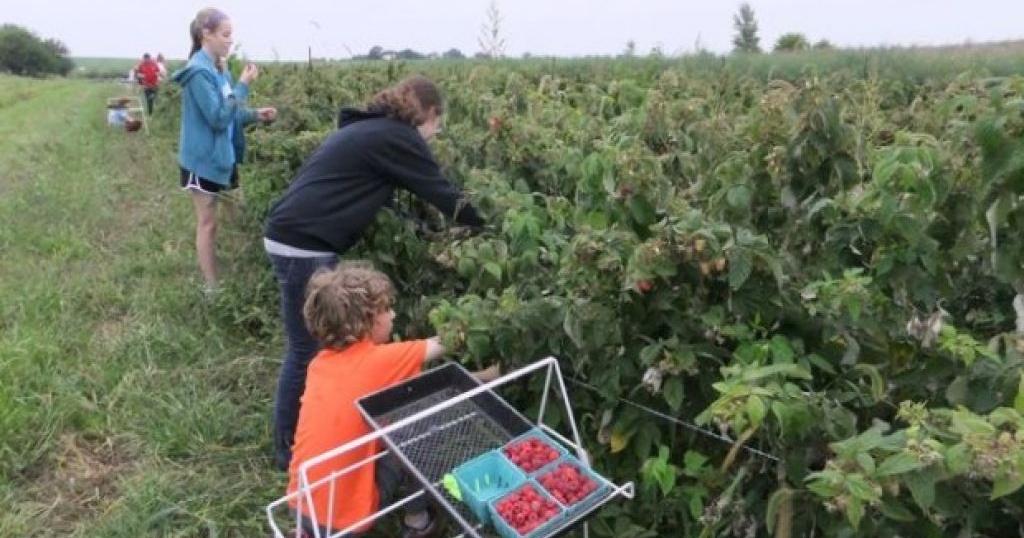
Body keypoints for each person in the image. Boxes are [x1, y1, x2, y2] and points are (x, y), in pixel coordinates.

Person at [264, 75, 484, 471]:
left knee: (310, 351)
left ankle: (315, 441)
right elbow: (440, 192)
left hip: (293, 235)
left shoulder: (370, 129)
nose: (435, 134)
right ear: (429, 113)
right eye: (437, 124)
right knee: (306, 351)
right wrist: (484, 224)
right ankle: (289, 454)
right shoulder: (399, 137)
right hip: (304, 244)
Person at [286, 264, 500, 538]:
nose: (394, 315)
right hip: (347, 520)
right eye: (387, 309)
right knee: (425, 423)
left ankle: (307, 532)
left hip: (299, 501)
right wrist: (494, 324)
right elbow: (446, 342)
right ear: (366, 321)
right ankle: (417, 520)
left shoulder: (320, 365)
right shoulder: (380, 361)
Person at [172, 8, 277, 294]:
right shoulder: (198, 73)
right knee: (207, 223)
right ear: (206, 34)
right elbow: (218, 118)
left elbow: (230, 114)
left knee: (237, 212)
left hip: (223, 157)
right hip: (203, 160)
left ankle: (241, 270)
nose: (230, 41)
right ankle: (212, 288)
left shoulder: (218, 70)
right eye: (226, 35)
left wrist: (255, 115)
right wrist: (242, 85)